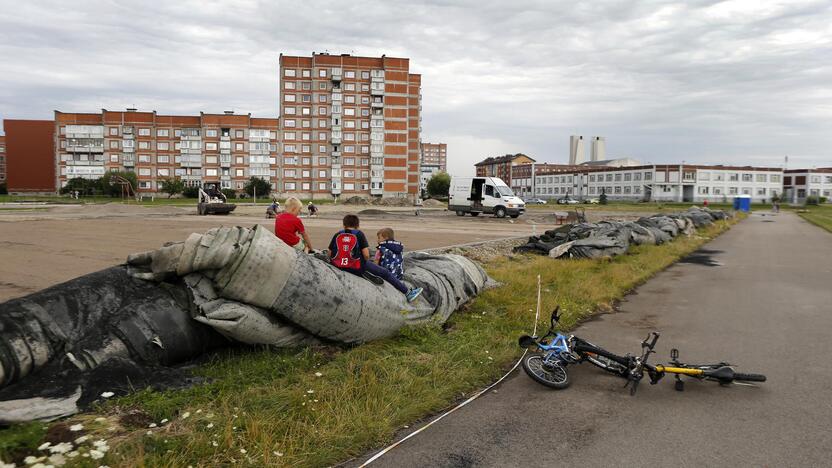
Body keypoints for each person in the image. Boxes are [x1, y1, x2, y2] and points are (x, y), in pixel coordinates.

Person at [329, 214, 422, 302]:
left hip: (338, 265)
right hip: (354, 266)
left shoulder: (337, 234)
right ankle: (408, 293)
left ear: (344, 225)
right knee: (385, 272)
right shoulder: (359, 234)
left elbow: (330, 253)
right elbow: (366, 255)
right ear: (357, 226)